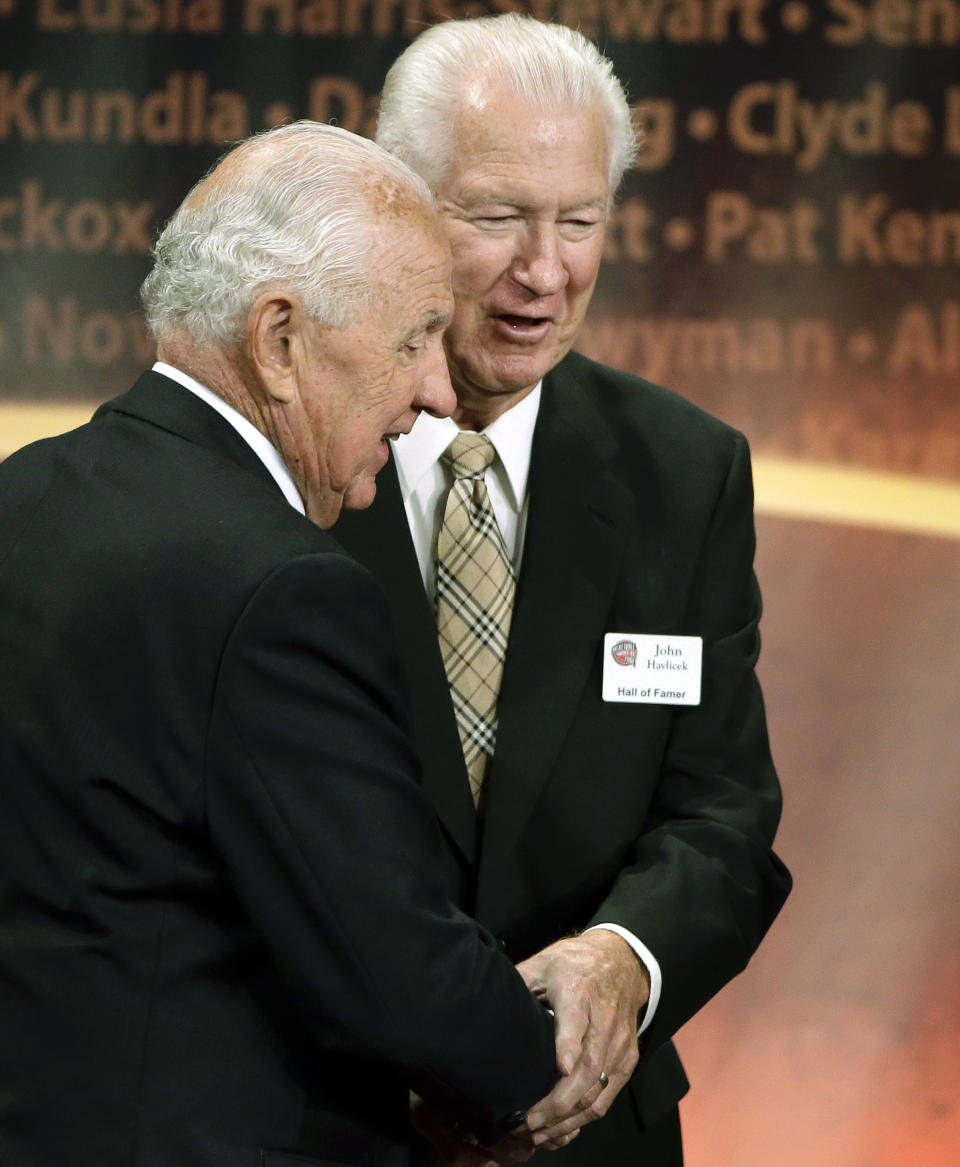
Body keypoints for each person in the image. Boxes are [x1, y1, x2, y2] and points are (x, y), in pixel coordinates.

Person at [0, 121, 589, 1167]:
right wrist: (538, 1065)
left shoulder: (22, 498)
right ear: (278, 340)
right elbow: (387, 964)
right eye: (415, 338)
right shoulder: (281, 591)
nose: (438, 394)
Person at [333, 16, 793, 1166]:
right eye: (496, 218)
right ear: (396, 202)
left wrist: (620, 958)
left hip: (592, 1129)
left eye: (579, 221)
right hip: (323, 1119)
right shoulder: (294, 460)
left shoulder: (685, 473)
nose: (546, 271)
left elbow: (722, 815)